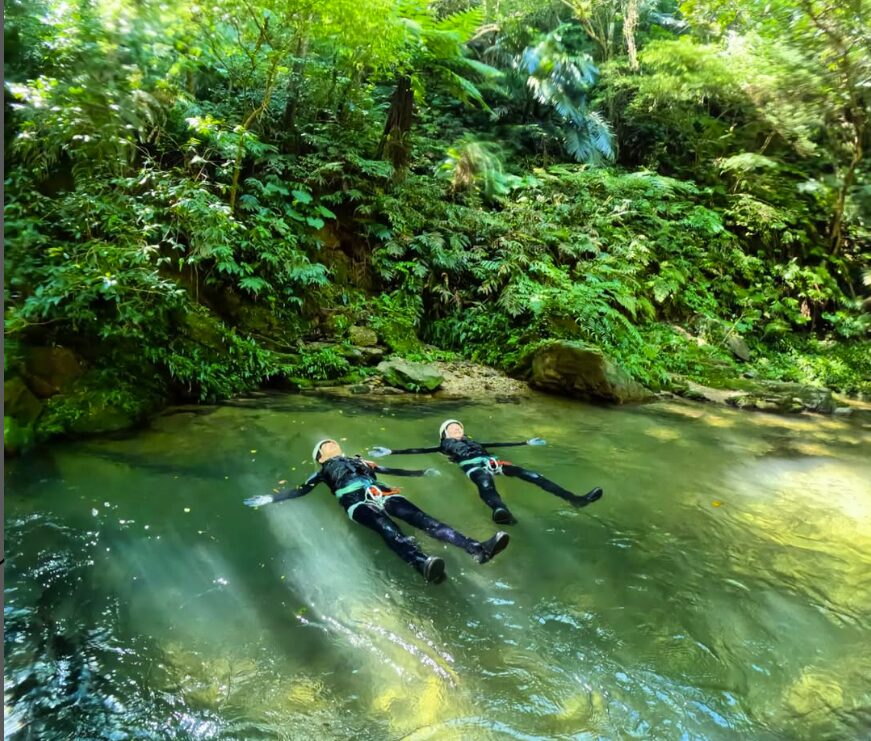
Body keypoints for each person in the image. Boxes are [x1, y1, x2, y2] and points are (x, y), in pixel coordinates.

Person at [244, 438, 510, 583]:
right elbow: (302, 489)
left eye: (332, 442)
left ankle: (478, 550)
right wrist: (271, 498)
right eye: (325, 445)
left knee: (424, 520)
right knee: (387, 528)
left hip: (380, 492)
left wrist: (421, 472)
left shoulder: (361, 462)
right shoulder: (324, 471)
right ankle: (422, 563)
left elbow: (389, 470)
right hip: (356, 502)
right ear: (321, 457)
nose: (330, 443)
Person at [369, 419, 603, 525]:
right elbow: (418, 450)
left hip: (493, 460)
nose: (456, 429)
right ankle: (501, 511)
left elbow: (499, 444)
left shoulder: (475, 442)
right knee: (485, 485)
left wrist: (526, 443)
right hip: (472, 466)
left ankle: (575, 499)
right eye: (451, 428)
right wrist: (391, 451)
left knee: (533, 476)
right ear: (444, 434)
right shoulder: (443, 445)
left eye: (458, 427)